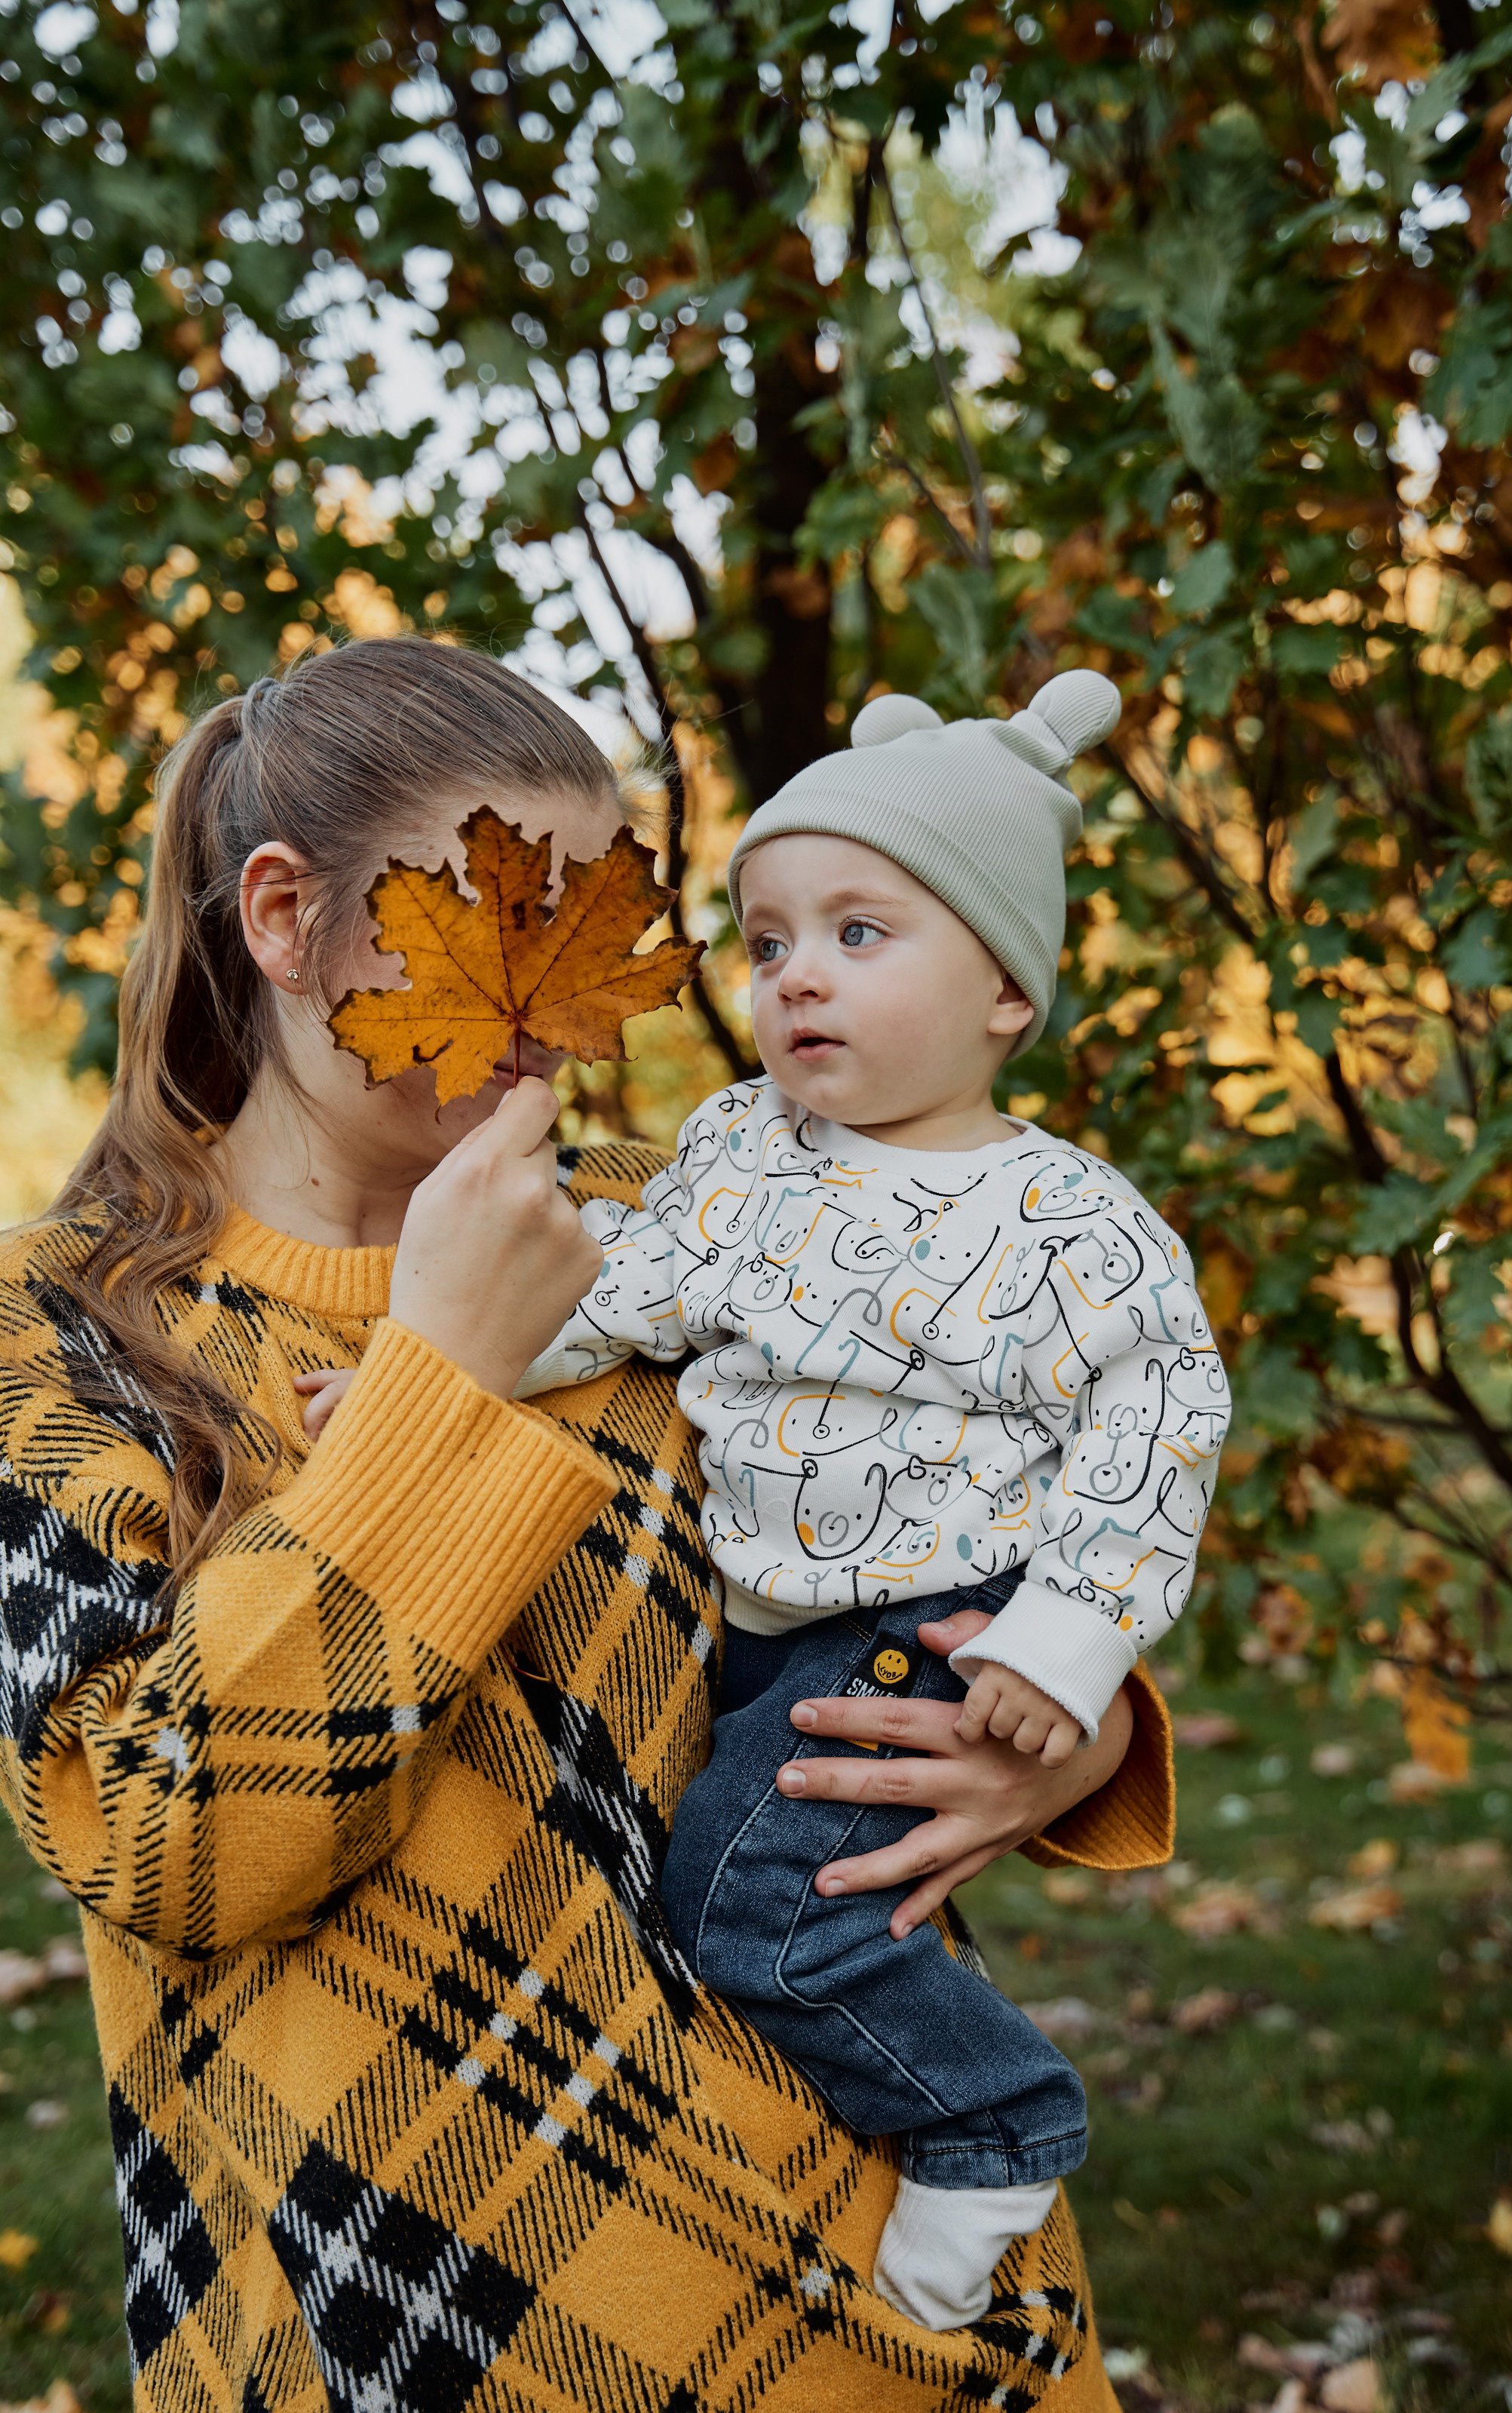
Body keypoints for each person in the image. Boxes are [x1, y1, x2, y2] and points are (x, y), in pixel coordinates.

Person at [0, 636, 1176, 2413]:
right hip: (433, 2325)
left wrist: (1054, 1735)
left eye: (590, 932)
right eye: (496, 925)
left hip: (882, 2310)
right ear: (279, 914)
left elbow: (963, 1519)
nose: (549, 1008)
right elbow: (170, 1846)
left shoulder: (686, 1220)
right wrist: (441, 1376)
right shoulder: (57, 1338)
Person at [303, 671, 1228, 2333]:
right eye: (768, 939)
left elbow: (1155, 1422)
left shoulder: (1064, 1222)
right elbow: (612, 1289)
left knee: (750, 1907)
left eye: (861, 933)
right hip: (771, 1620)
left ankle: (993, 2121)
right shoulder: (741, 1151)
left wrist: (1069, 1640)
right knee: (782, 1879)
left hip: (925, 1626)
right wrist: (420, 1372)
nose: (796, 973)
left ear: (1008, 986)